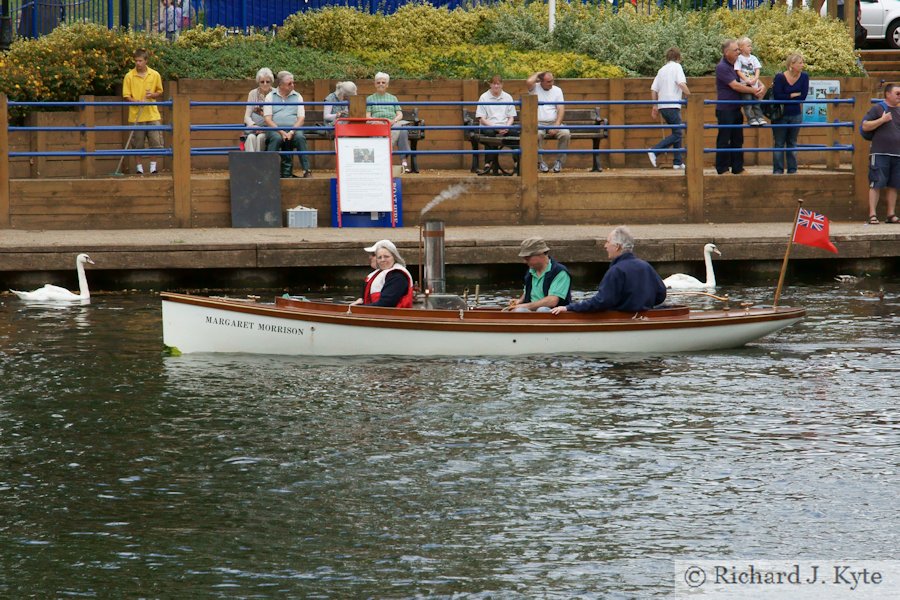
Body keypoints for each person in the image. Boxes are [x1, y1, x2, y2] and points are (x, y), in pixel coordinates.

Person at [550, 226, 666, 315]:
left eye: (607, 242)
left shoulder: (616, 270)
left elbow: (601, 301)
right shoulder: (646, 266)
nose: (605, 246)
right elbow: (661, 295)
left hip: (620, 320)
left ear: (617, 246)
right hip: (644, 317)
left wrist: (569, 308)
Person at [715, 39, 765, 175]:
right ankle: (722, 168)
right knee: (724, 139)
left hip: (737, 108)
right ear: (727, 53)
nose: (739, 52)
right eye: (736, 50)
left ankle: (738, 168)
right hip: (725, 108)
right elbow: (735, 85)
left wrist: (760, 85)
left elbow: (748, 75)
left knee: (738, 139)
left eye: (739, 49)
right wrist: (753, 91)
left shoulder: (738, 64)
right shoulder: (722, 67)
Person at [861, 83, 900, 224]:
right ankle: (872, 214)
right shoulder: (878, 108)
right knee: (876, 183)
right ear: (888, 94)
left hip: (897, 154)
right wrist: (882, 120)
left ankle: (891, 214)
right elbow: (865, 126)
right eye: (897, 93)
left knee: (894, 184)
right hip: (880, 152)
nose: (899, 96)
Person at [122, 48, 164, 176]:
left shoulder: (155, 74)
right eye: (136, 61)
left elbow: (159, 91)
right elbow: (126, 95)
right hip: (136, 115)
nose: (137, 63)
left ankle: (153, 167)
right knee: (137, 144)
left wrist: (152, 94)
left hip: (152, 114)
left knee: (155, 142)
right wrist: (135, 101)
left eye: (140, 61)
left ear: (146, 61)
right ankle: (139, 167)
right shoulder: (129, 76)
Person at [263, 70, 311, 178]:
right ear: (280, 85)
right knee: (276, 138)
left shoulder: (298, 96)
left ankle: (306, 170)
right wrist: (281, 131)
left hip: (293, 128)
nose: (293, 85)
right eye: (289, 83)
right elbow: (267, 119)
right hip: (275, 129)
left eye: (293, 83)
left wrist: (292, 131)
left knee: (300, 138)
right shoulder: (270, 96)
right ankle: (269, 171)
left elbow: (301, 118)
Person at [649, 46, 691, 171]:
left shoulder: (661, 70)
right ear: (678, 57)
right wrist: (691, 96)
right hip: (672, 104)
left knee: (676, 132)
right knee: (678, 133)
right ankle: (655, 151)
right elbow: (681, 83)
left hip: (663, 106)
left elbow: (653, 89)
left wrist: (655, 105)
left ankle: (677, 162)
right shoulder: (677, 67)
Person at [508, 237, 572, 312]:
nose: (525, 262)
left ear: (541, 254)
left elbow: (552, 301)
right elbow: (527, 291)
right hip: (531, 310)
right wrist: (519, 301)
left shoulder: (560, 272)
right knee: (519, 311)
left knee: (542, 310)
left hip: (554, 311)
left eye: (527, 258)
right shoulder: (531, 271)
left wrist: (524, 306)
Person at [771, 53, 809, 175]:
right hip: (780, 115)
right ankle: (778, 169)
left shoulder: (804, 77)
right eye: (800, 63)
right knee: (779, 142)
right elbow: (777, 96)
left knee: (792, 142)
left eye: (802, 62)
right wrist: (792, 95)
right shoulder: (780, 77)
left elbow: (803, 96)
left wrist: (786, 96)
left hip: (795, 114)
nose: (802, 65)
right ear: (792, 64)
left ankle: (792, 169)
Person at [526, 71, 571, 173]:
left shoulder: (557, 90)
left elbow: (561, 109)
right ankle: (540, 162)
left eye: (552, 81)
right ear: (541, 81)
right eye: (548, 81)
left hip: (553, 122)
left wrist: (556, 126)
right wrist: (538, 73)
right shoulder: (534, 88)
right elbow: (529, 81)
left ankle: (559, 162)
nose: (551, 83)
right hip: (538, 123)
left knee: (566, 133)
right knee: (535, 135)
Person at [366, 72, 411, 173]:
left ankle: (404, 162)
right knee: (376, 129)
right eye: (378, 82)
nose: (381, 84)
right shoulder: (369, 99)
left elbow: (400, 114)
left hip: (392, 123)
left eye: (383, 82)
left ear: (387, 85)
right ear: (375, 84)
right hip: (377, 123)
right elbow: (367, 116)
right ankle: (380, 162)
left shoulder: (393, 98)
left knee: (403, 130)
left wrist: (394, 121)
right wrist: (377, 121)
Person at [350, 240, 414, 308]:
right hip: (374, 313)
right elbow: (364, 297)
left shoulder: (398, 276)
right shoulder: (376, 274)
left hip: (393, 316)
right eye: (379, 257)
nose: (383, 260)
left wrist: (361, 308)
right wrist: (360, 301)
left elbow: (387, 303)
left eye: (386, 256)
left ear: (394, 257)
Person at [475, 75, 517, 175]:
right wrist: (496, 128)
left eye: (498, 84)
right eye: (494, 84)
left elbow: (511, 117)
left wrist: (506, 127)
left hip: (505, 126)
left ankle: (517, 162)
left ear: (502, 85)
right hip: (489, 126)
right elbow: (482, 118)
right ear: (490, 85)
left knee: (516, 133)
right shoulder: (484, 97)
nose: (496, 86)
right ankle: (488, 163)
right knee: (490, 134)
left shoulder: (508, 97)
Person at [735, 37, 767, 127]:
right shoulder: (739, 58)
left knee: (756, 102)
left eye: (751, 46)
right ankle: (751, 118)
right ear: (741, 48)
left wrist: (756, 78)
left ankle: (759, 117)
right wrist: (746, 79)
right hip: (745, 84)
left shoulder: (753, 58)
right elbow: (738, 71)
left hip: (754, 84)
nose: (750, 48)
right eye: (748, 46)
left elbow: (757, 69)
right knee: (748, 102)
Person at [242, 67, 274, 152]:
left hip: (269, 128)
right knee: (251, 137)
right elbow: (247, 117)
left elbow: (277, 116)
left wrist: (265, 129)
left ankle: (259, 164)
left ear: (271, 82)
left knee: (261, 137)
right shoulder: (252, 93)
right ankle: (250, 163)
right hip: (254, 127)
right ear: (258, 82)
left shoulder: (275, 94)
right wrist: (254, 126)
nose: (265, 84)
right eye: (262, 82)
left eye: (268, 81)